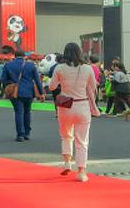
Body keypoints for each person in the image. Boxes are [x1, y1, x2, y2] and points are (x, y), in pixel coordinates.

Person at [49, 42, 100, 182]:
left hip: (65, 106)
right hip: (82, 105)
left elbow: (52, 86)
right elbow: (93, 87)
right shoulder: (87, 68)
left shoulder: (59, 68)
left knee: (66, 135)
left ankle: (67, 163)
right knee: (82, 141)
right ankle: (81, 172)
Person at [1, 46, 44, 142]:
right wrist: (41, 93)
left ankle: (20, 134)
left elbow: (3, 79)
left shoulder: (8, 65)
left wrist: (9, 84)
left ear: (14, 56)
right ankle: (27, 133)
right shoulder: (31, 65)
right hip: (29, 92)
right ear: (24, 56)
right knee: (27, 112)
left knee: (18, 112)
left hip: (15, 92)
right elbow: (37, 80)